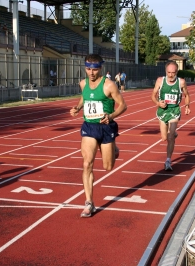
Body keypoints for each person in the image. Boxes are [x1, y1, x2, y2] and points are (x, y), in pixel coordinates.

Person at [70, 54, 127, 218]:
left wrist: (111, 116)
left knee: (108, 166)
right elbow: (84, 98)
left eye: (94, 70)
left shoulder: (109, 85)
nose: (91, 73)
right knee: (87, 163)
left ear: (100, 68)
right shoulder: (83, 83)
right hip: (89, 126)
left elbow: (123, 105)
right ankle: (89, 202)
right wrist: (77, 107)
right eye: (88, 69)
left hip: (106, 127)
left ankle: (113, 146)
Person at [151, 61, 191, 171]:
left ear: (177, 72)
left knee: (170, 136)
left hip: (174, 110)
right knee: (164, 138)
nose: (171, 75)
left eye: (173, 72)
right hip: (162, 110)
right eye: (169, 72)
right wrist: (158, 103)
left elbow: (187, 95)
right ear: (165, 71)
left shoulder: (181, 82)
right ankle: (173, 134)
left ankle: (168, 160)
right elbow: (153, 95)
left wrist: (187, 106)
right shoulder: (160, 81)